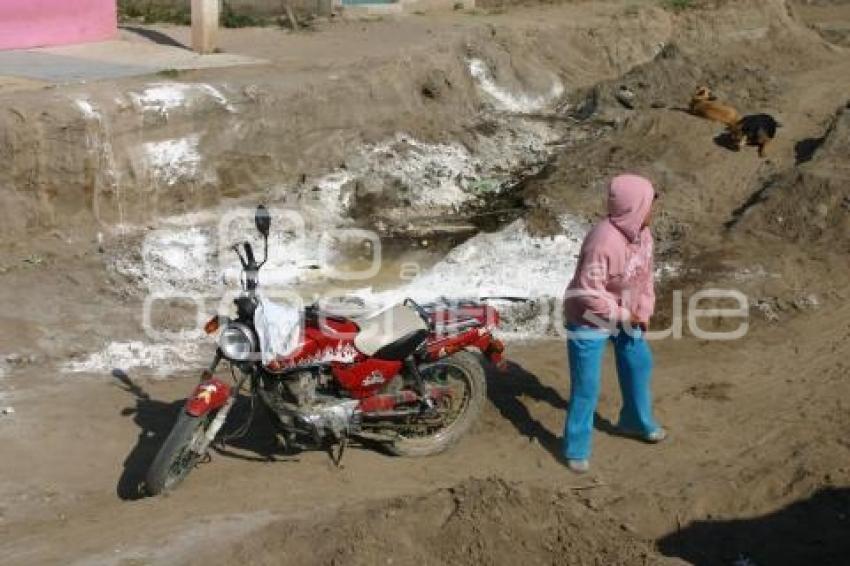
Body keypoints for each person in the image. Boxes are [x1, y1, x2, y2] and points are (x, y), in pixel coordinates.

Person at [562, 173, 666, 474]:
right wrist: (623, 315)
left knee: (639, 363)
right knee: (587, 386)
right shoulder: (602, 241)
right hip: (588, 316)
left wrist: (642, 312)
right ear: (634, 206)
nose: (653, 210)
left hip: (626, 313)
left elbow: (644, 278)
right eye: (649, 204)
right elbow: (588, 293)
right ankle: (576, 447)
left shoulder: (644, 235)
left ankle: (635, 422)